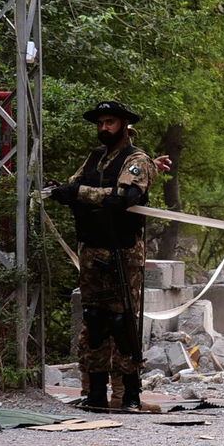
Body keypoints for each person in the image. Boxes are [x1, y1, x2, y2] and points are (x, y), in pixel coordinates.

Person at [48, 100, 172, 412]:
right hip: (91, 248)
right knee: (94, 321)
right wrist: (67, 192)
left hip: (123, 251)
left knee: (123, 322)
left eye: (110, 122)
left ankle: (130, 394)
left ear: (124, 125)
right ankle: (95, 393)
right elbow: (72, 187)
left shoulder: (136, 160)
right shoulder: (95, 158)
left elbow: (124, 198)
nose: (104, 128)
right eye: (101, 122)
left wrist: (81, 195)